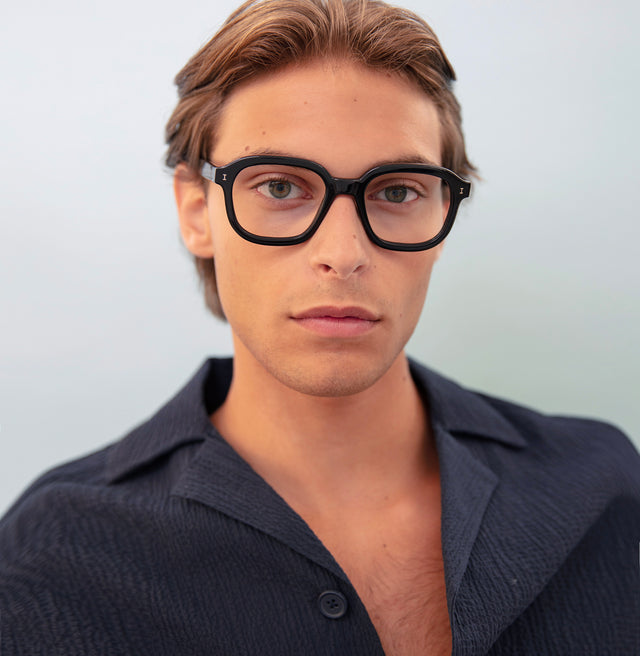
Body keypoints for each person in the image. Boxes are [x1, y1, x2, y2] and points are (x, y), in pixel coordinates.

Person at [1, 0, 639, 654]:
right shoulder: (53, 557)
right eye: (279, 187)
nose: (343, 251)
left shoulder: (606, 494)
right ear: (197, 211)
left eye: (396, 191)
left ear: (443, 212)